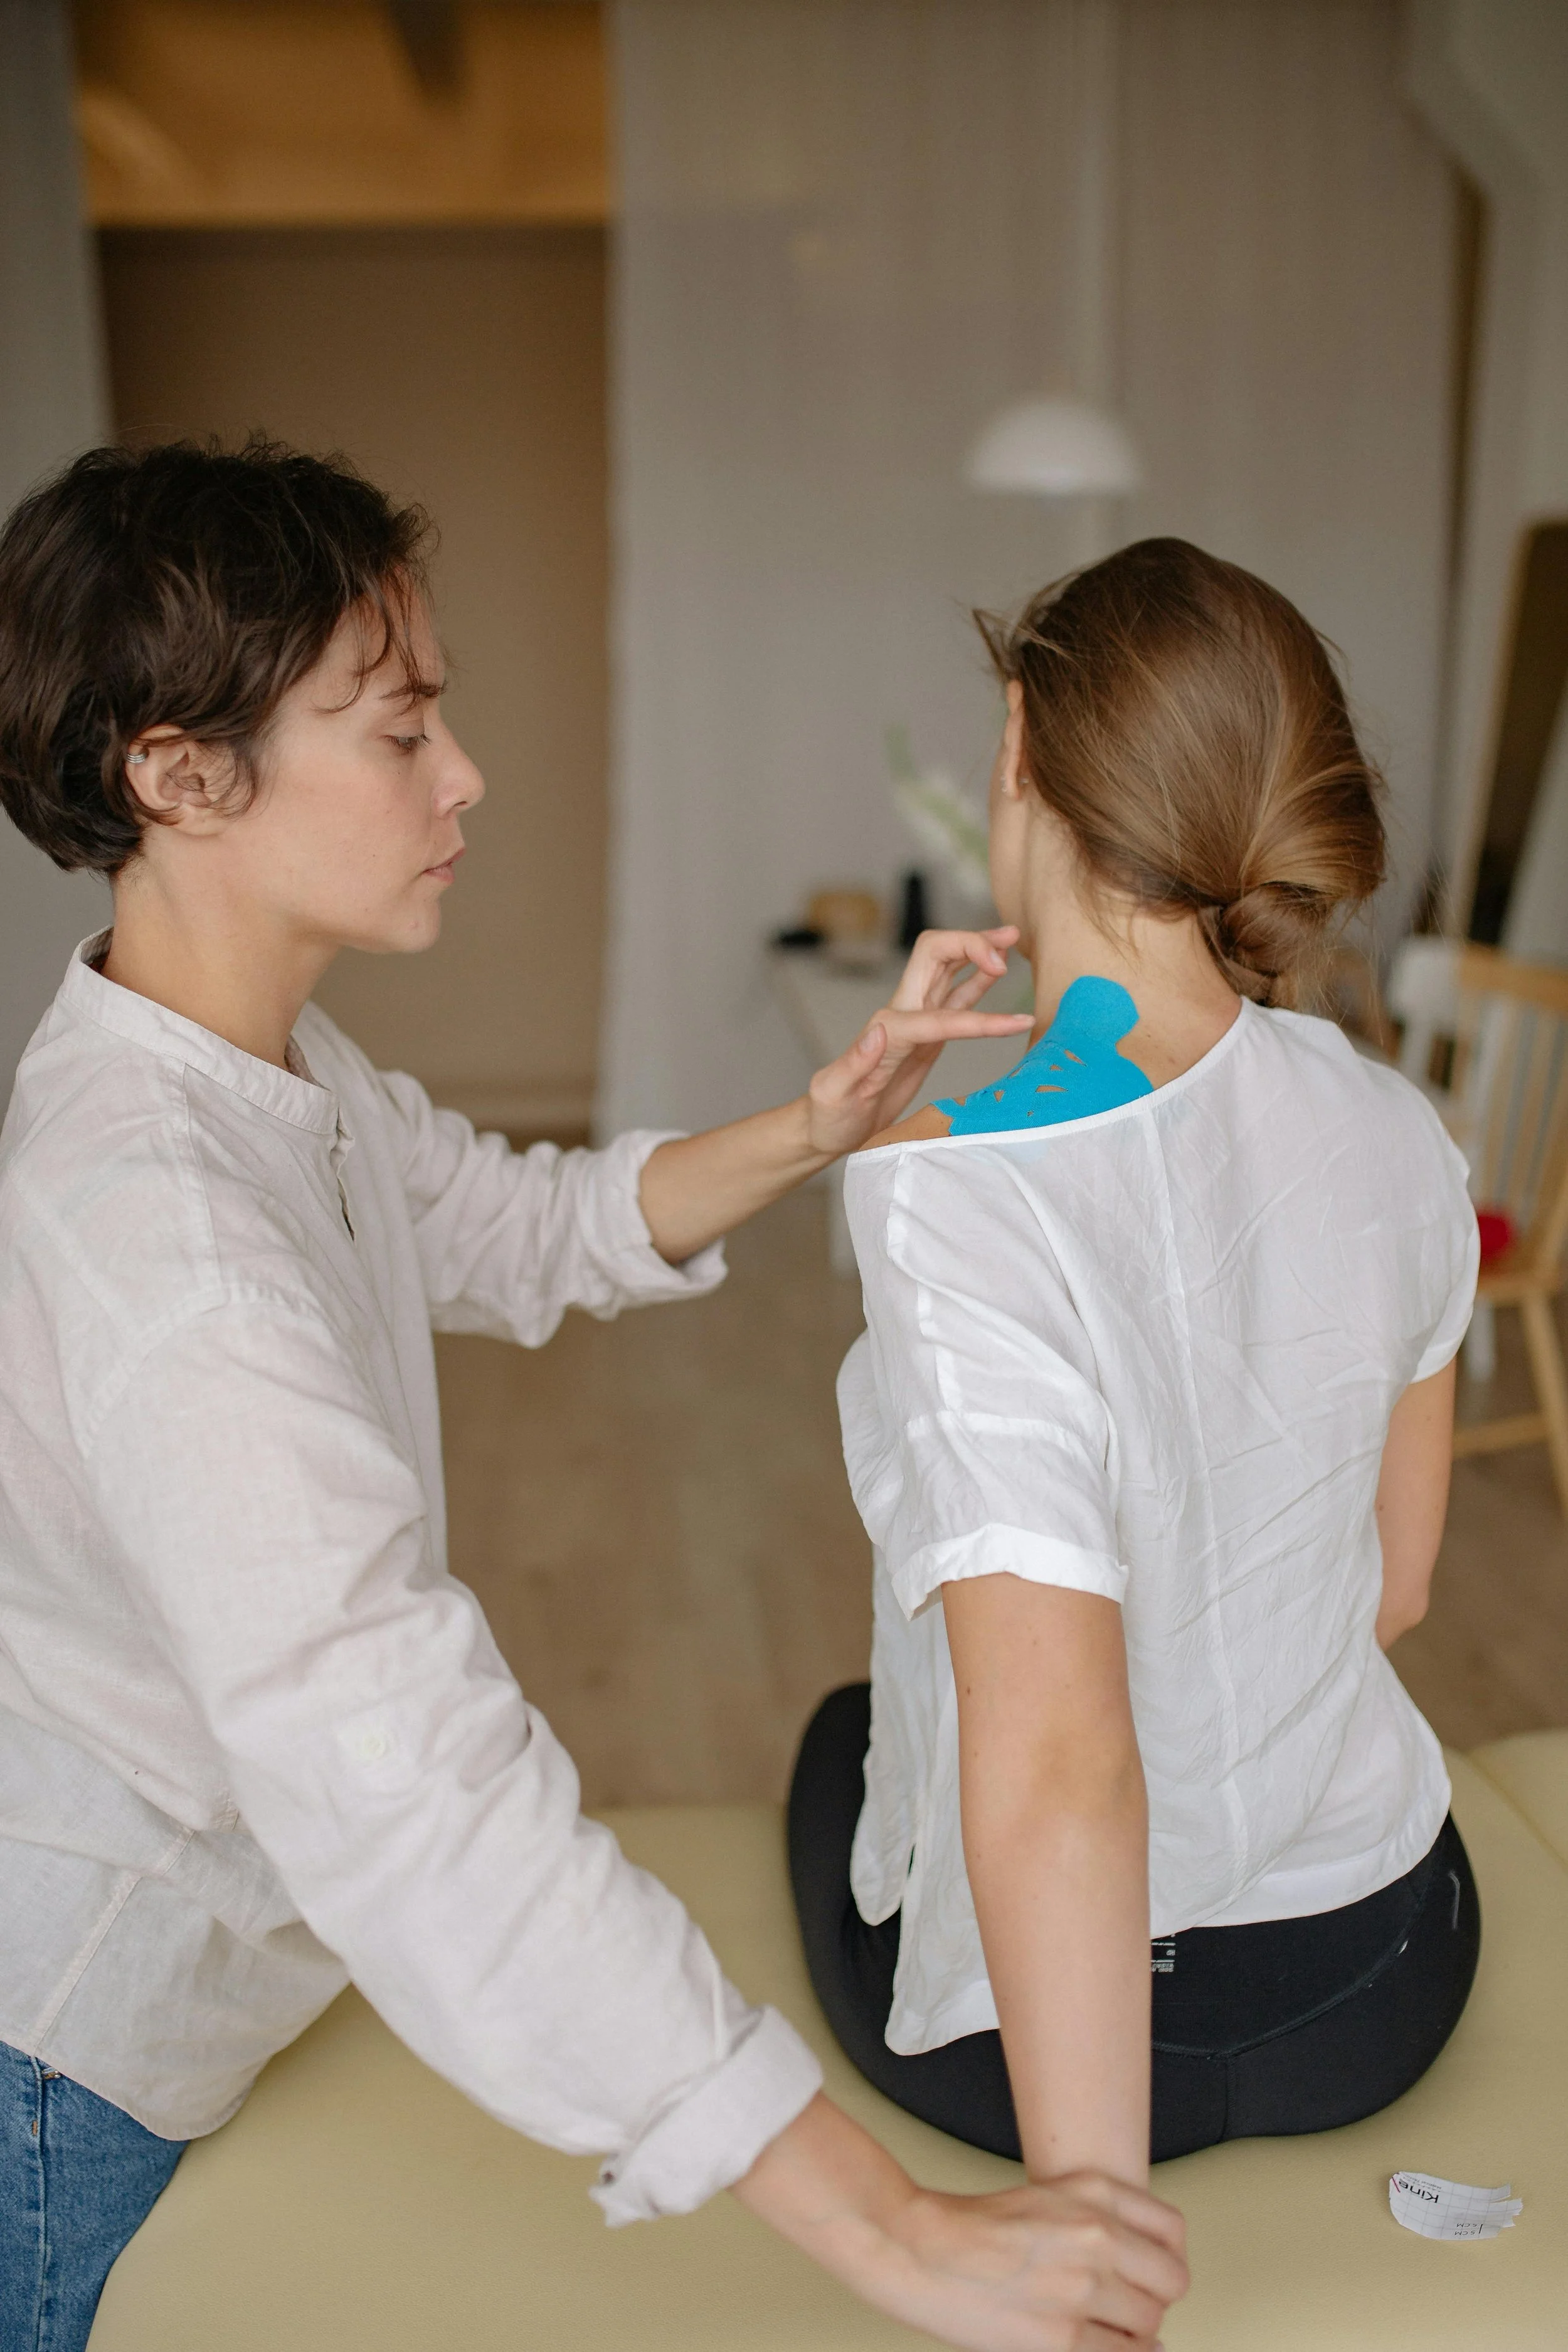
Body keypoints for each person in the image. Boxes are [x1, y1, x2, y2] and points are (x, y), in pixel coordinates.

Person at [0, 438, 1188, 2352]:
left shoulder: (261, 1061)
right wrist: (889, 2229)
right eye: (397, 729)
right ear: (177, 771)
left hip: (213, 1979)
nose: (459, 773)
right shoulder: (167, 1238)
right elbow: (405, 1773)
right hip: (71, 2064)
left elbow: (520, 1219)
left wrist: (822, 1117)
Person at [789, 541, 1480, 2241]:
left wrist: (1090, 2238)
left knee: (833, 1736)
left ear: (1017, 748)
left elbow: (1057, 1765)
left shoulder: (955, 1182)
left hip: (1056, 2050)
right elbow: (1393, 1586)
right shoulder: (1401, 1131)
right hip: (1377, 1975)